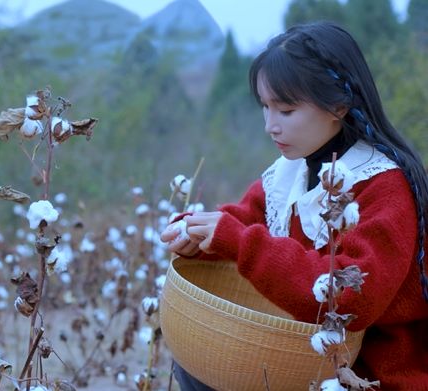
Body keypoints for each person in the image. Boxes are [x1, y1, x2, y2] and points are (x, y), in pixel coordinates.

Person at [161, 21, 428, 390]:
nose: (271, 125)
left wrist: (238, 241)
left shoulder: (384, 186)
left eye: (285, 110)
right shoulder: (291, 171)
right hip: (303, 359)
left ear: (338, 105)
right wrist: (199, 234)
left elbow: (348, 301)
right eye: (265, 108)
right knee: (196, 363)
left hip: (371, 375)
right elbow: (244, 218)